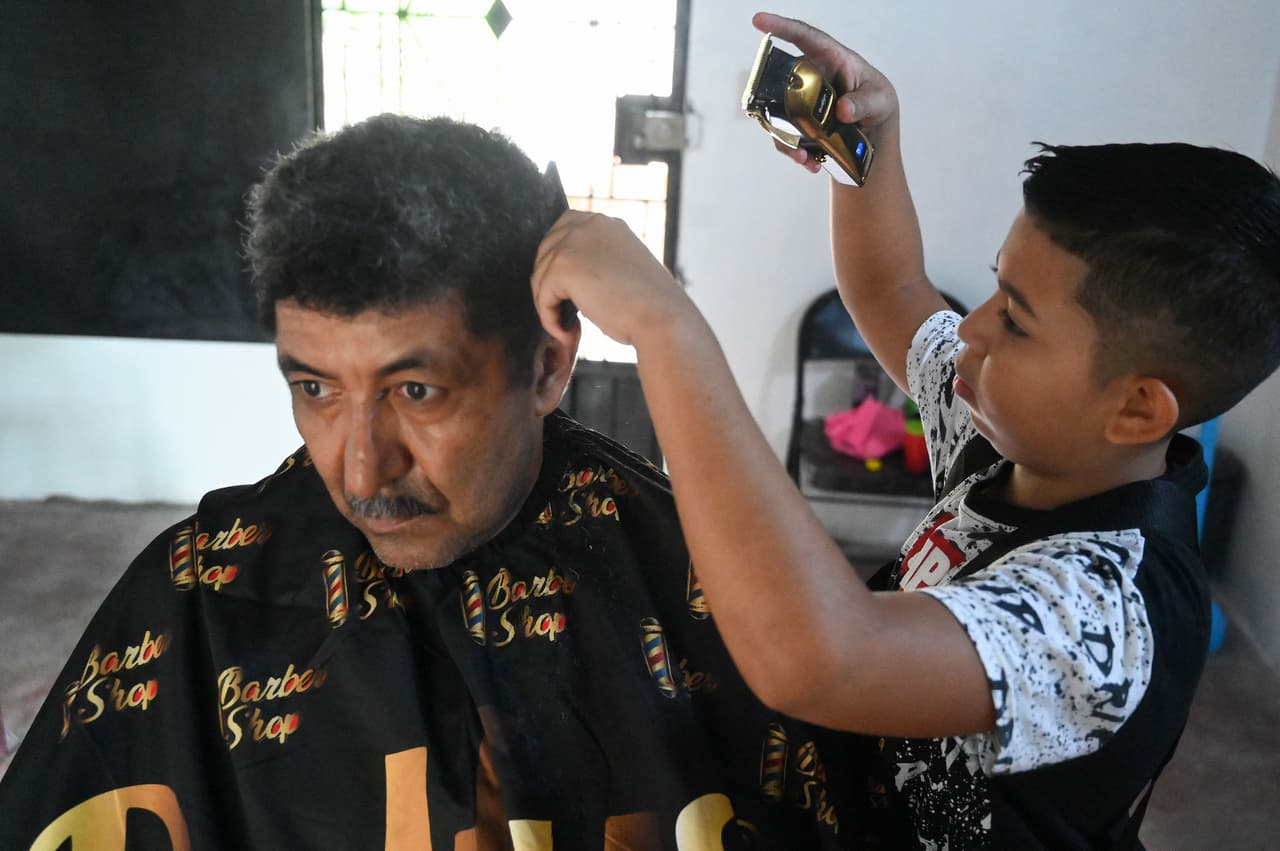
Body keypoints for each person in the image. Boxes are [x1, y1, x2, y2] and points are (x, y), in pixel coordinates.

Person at [0, 114, 864, 849]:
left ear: (547, 367)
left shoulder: (702, 577)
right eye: (316, 389)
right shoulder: (199, 592)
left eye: (417, 391)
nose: (363, 468)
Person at [530, 11, 1280, 850]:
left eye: (1018, 322)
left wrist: (667, 326)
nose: (972, 329)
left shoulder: (1106, 615)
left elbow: (820, 658)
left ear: (1138, 408)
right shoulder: (1012, 438)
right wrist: (866, 152)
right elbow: (891, 289)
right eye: (996, 288)